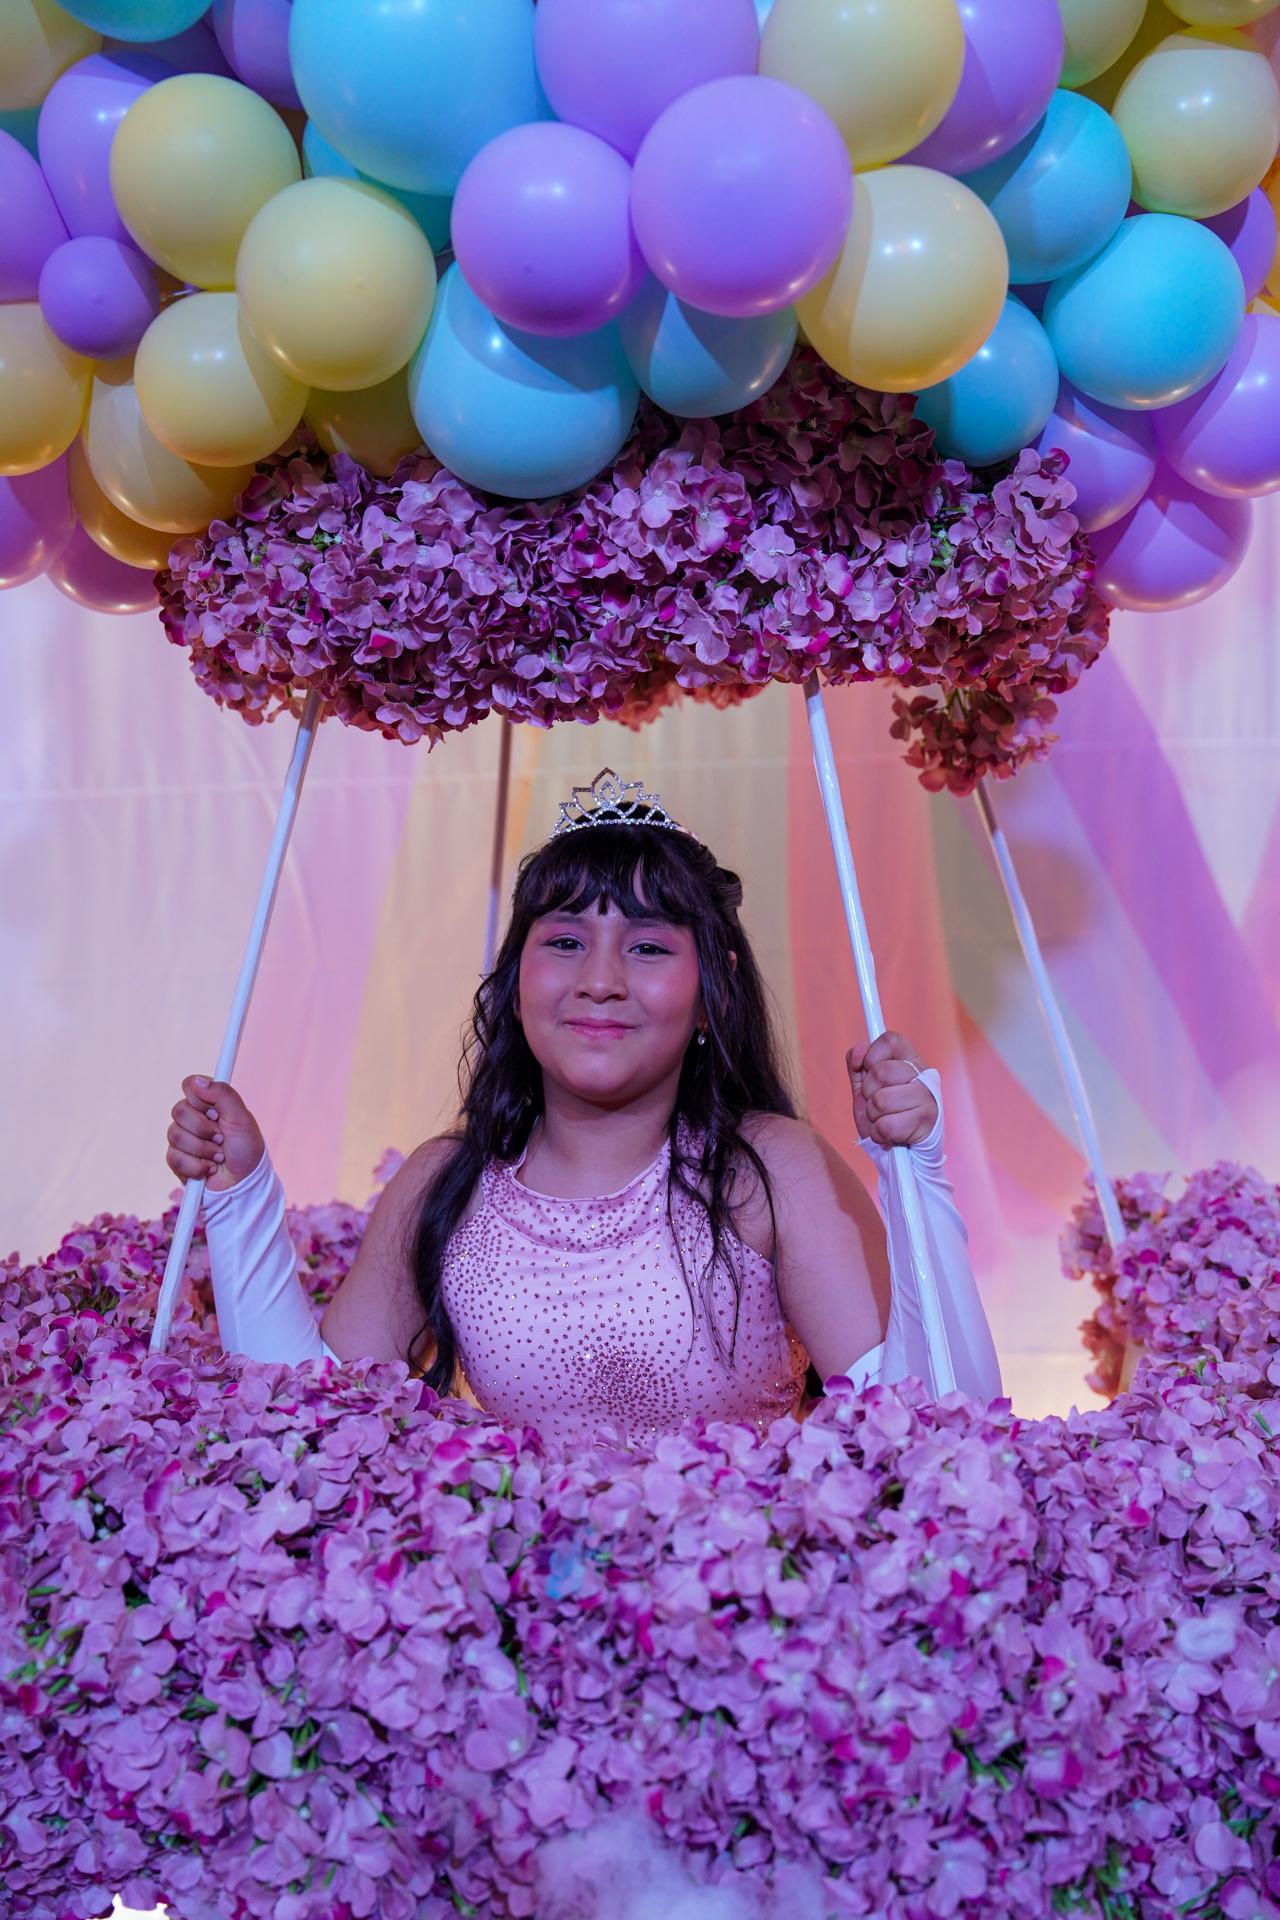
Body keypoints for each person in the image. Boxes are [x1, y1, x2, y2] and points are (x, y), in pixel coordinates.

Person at [165, 768, 1001, 1447]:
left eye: (648, 947)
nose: (600, 980)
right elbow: (302, 1423)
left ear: (711, 995)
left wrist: (915, 1172)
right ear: (516, 984)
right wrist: (241, 1197)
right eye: (565, 942)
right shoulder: (445, 1184)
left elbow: (930, 1431)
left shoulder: (770, 1170)